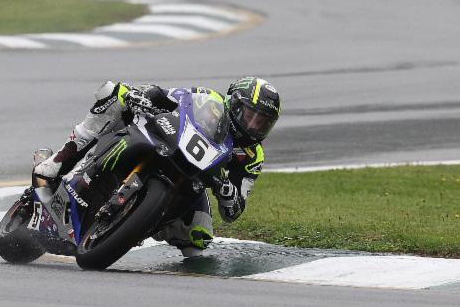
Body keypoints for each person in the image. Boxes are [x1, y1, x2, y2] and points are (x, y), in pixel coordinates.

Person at [33, 77, 281, 257]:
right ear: (234, 104)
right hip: (164, 141)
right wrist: (142, 95)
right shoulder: (211, 100)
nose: (253, 126)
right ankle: (59, 161)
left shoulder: (253, 157)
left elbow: (234, 211)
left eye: (262, 122)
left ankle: (135, 227)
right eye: (250, 115)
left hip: (192, 179)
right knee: (116, 93)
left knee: (199, 237)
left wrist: (227, 193)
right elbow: (165, 94)